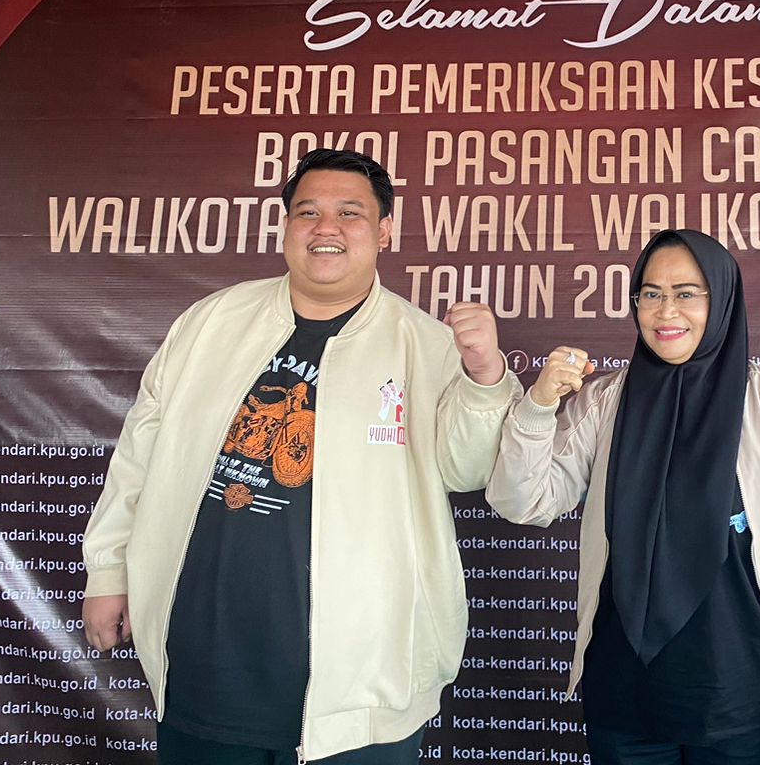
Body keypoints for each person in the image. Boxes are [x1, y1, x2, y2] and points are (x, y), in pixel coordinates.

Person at [81, 148, 521, 764]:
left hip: (362, 679)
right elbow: (139, 454)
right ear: (286, 226)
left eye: (350, 213)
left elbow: (466, 469)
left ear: (384, 231)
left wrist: (484, 378)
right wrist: (108, 572)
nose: (326, 228)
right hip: (205, 659)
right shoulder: (212, 322)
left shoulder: (426, 344)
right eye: (308, 212)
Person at [487, 229, 760, 765]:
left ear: (721, 299)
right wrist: (538, 407)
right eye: (650, 293)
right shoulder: (605, 401)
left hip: (738, 703)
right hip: (623, 700)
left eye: (686, 293)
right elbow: (525, 501)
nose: (665, 311)